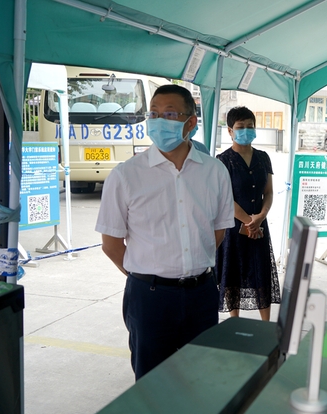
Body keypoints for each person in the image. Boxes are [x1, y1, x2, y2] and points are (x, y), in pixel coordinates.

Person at [95, 84, 234, 380]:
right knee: (152, 383)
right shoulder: (126, 175)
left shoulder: (215, 172)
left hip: (202, 294)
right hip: (149, 298)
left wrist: (189, 266)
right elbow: (111, 244)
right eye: (154, 114)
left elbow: (217, 231)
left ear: (190, 122)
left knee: (200, 379)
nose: (159, 121)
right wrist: (150, 274)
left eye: (170, 114)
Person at [216, 107, 280, 321]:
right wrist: (248, 221)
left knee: (261, 272)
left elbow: (268, 192)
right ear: (230, 131)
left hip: (260, 226)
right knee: (233, 273)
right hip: (234, 227)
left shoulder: (263, 157)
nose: (246, 130)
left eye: (250, 126)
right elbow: (225, 197)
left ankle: (266, 324)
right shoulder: (223, 160)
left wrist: (260, 217)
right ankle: (234, 321)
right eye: (240, 127)